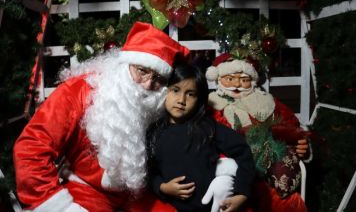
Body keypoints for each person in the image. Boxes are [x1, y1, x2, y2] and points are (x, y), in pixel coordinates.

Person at [12, 22, 190, 212]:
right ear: (125, 64)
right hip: (87, 190)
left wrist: (224, 169)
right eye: (142, 71)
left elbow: (205, 118)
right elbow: (30, 149)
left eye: (157, 79)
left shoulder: (159, 101)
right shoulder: (79, 91)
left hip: (135, 194)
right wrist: (59, 206)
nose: (147, 85)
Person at [205, 53, 312, 212]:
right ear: (218, 78)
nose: (237, 85)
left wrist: (302, 145)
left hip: (271, 178)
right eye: (230, 79)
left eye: (244, 80)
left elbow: (291, 127)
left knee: (287, 203)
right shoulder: (210, 105)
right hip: (230, 176)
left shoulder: (267, 101)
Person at [146, 64, 256, 212]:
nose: (181, 100)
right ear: (164, 91)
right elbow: (148, 172)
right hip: (171, 207)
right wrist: (163, 187)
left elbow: (243, 152)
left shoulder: (207, 127)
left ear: (199, 99)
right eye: (175, 90)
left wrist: (242, 193)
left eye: (190, 94)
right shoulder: (154, 132)